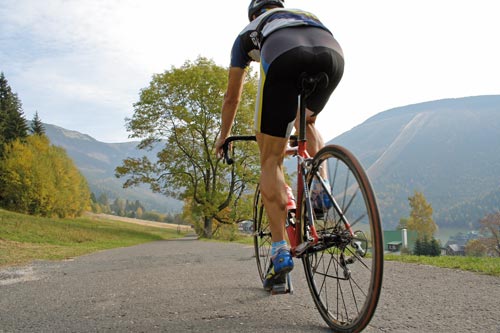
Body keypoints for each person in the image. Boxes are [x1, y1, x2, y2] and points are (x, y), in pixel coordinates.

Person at [215, 0, 344, 290]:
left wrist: (223, 136)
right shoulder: (304, 14)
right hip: (331, 54)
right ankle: (320, 187)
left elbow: (232, 97)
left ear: (253, 14)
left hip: (285, 55)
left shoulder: (247, 33)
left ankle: (279, 250)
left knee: (270, 159)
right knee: (306, 122)